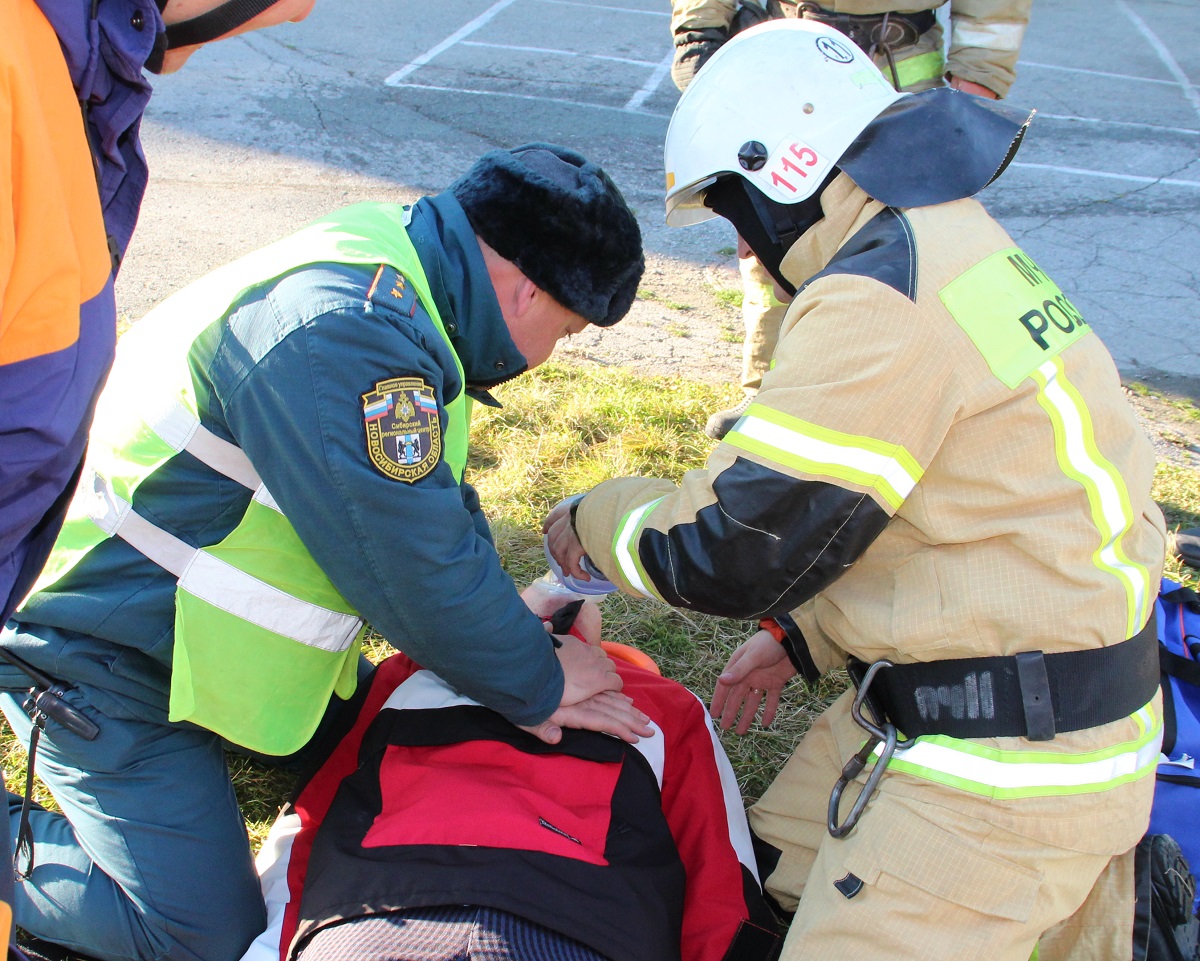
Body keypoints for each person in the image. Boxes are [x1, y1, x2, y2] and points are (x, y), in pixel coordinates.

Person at [545, 20, 1166, 960]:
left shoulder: (877, 295)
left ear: (779, 176)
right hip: (1057, 706)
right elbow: (977, 503)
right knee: (757, 874)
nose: (745, 246)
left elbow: (725, 544)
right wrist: (808, 636)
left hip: (1000, 771)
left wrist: (586, 523)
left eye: (733, 209)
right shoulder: (954, 241)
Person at [2, 143, 648, 961]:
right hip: (98, 658)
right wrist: (539, 677)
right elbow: (413, 569)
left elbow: (426, 511)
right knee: (197, 942)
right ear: (527, 290)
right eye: (568, 329)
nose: (554, 351)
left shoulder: (399, 280)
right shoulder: (350, 331)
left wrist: (514, 623)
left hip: (179, 641)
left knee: (380, 752)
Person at [239, 593, 781, 961]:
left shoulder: (410, 675)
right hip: (578, 924)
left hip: (379, 909)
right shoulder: (663, 706)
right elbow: (720, 862)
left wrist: (272, 945)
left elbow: (313, 817)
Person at [668, 0, 1032, 439]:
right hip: (790, 58)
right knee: (775, 239)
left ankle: (900, 394)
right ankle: (772, 394)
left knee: (916, 243)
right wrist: (701, 34)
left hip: (903, 69)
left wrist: (979, 78)